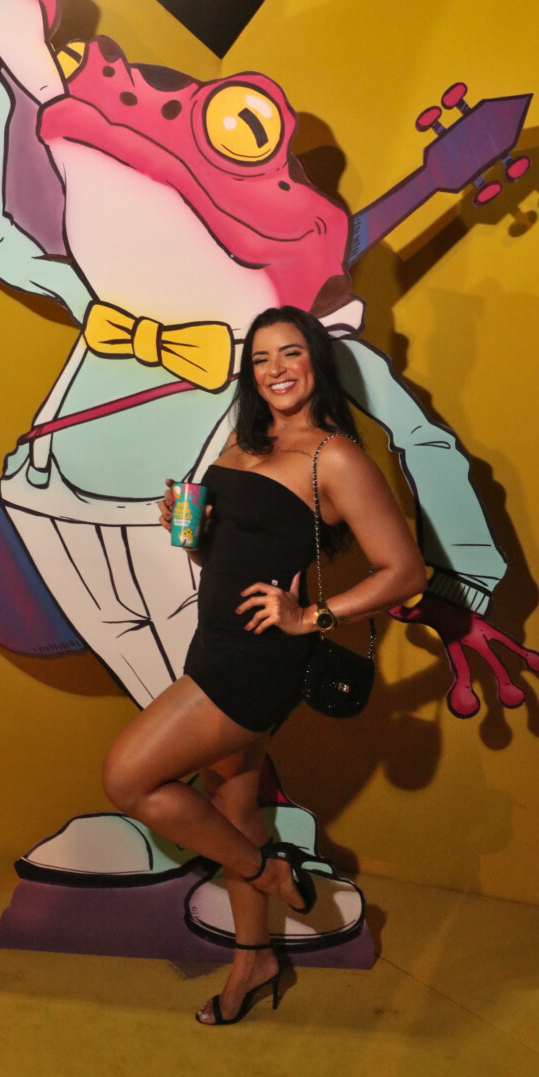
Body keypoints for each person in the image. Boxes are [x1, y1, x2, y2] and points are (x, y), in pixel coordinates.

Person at [101, 306, 427, 1025]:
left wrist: (310, 617)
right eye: (261, 359)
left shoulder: (333, 457)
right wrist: (188, 529)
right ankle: (255, 961)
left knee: (127, 776)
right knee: (233, 807)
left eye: (291, 354)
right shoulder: (243, 440)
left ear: (316, 362)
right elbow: (223, 552)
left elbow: (404, 571)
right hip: (213, 641)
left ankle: (269, 871)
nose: (276, 370)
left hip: (256, 660)